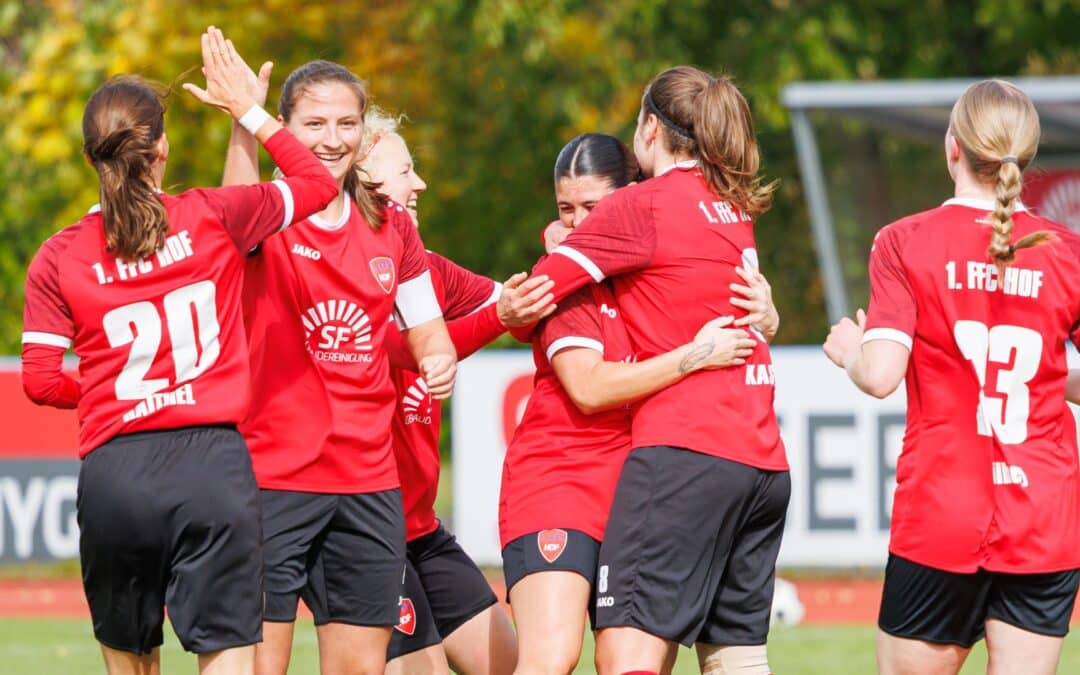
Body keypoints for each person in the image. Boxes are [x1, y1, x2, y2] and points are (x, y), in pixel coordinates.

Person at [20, 27, 338, 675]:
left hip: (117, 471)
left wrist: (120, 390)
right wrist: (247, 111)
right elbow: (317, 181)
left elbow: (40, 379)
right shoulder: (211, 216)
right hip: (211, 468)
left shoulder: (58, 254)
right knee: (226, 658)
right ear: (160, 147)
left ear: (92, 157)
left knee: (130, 662)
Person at [521, 68, 787, 675]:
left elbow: (537, 293)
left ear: (648, 127)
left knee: (626, 654)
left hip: (686, 452)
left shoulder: (639, 205)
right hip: (763, 460)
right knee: (736, 659)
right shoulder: (733, 202)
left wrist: (555, 239)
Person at [824, 79, 1080, 675]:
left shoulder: (905, 242)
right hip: (1042, 517)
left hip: (941, 512)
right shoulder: (1066, 252)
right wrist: (1049, 377)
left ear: (952, 147)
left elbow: (881, 375)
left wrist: (849, 350)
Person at [223, 61, 456, 675]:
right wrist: (244, 121)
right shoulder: (267, 212)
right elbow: (237, 204)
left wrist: (439, 359)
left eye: (347, 123)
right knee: (255, 667)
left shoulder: (391, 222)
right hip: (271, 479)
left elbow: (429, 330)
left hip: (368, 482)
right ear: (287, 127)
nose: (332, 138)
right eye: (315, 123)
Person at [359, 108, 540, 675]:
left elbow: (506, 303)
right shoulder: (340, 268)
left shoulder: (426, 269)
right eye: (405, 171)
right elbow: (393, 346)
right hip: (366, 520)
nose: (420, 184)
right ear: (362, 180)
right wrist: (500, 318)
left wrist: (576, 260)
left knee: (507, 662)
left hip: (421, 525)